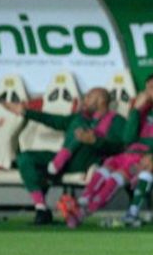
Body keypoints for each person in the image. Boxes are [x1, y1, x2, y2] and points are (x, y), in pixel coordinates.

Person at [58, 73, 153, 229]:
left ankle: (83, 212)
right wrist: (135, 111)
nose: (148, 92)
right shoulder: (144, 109)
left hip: (147, 156)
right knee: (104, 169)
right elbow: (128, 138)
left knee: (115, 177)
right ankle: (83, 201)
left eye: (152, 87)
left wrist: (150, 152)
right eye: (146, 88)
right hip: (128, 153)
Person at [8, 88, 125, 225]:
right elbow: (53, 120)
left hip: (86, 161)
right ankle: (41, 208)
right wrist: (25, 112)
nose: (85, 99)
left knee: (80, 124)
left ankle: (59, 162)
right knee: (25, 158)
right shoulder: (80, 117)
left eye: (89, 96)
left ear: (102, 100)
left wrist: (95, 141)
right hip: (64, 162)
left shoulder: (117, 121)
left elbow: (120, 147)